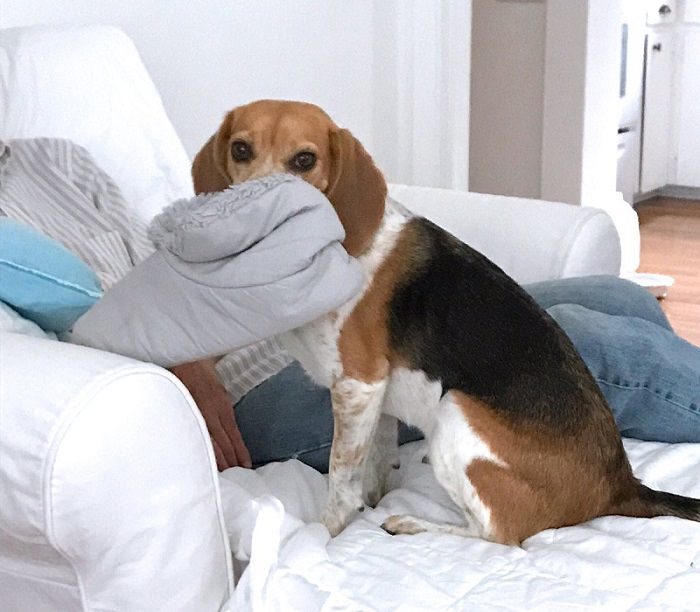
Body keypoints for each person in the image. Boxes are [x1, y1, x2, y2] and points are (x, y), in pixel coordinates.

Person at [2, 137, 699, 474]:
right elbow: (44, 362)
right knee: (581, 346)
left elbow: (158, 257)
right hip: (234, 406)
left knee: (613, 296)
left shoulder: (51, 160)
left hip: (287, 331)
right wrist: (178, 360)